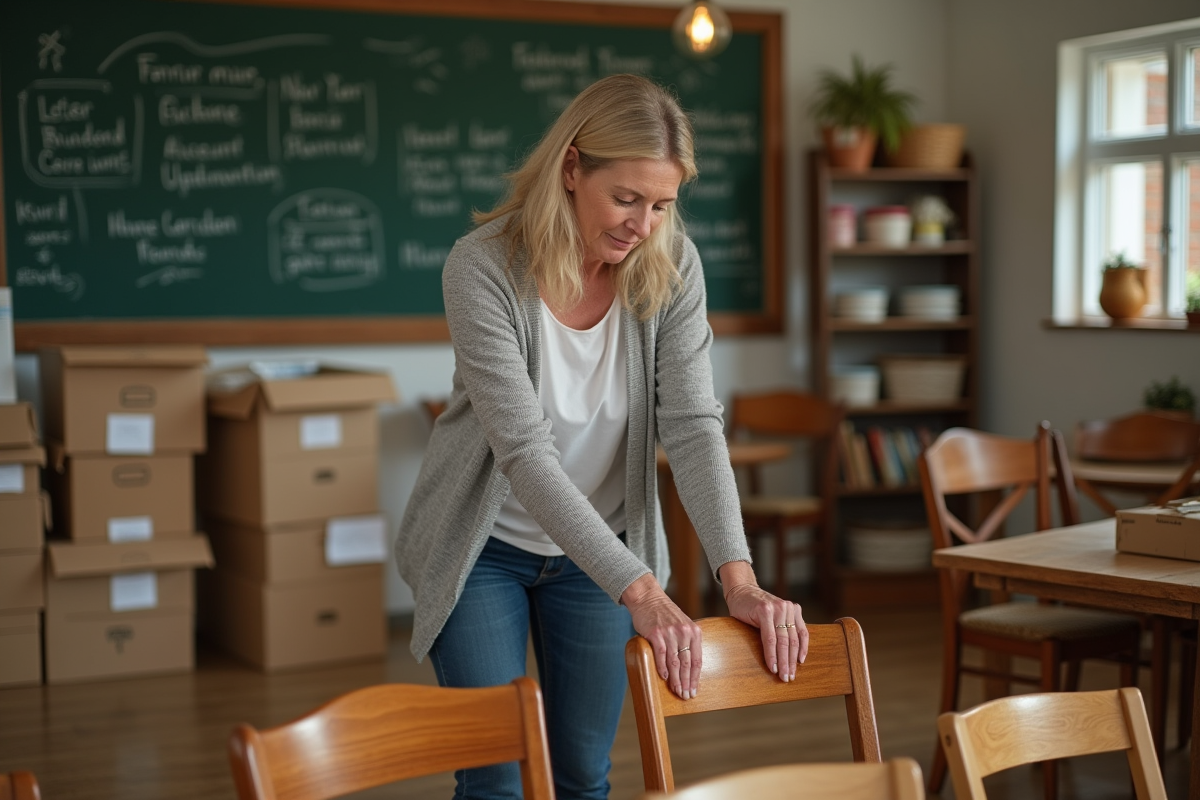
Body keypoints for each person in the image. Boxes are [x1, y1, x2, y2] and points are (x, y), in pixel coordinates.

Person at [395, 73, 808, 800]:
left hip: (607, 554)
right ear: (571, 168)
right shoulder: (482, 266)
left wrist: (736, 580)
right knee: (495, 775)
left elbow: (692, 427)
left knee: (583, 774)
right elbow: (524, 453)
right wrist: (643, 592)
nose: (642, 224)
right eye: (626, 198)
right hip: (483, 548)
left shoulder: (672, 266)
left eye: (662, 204)